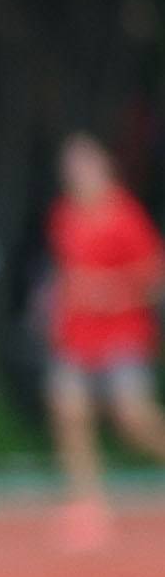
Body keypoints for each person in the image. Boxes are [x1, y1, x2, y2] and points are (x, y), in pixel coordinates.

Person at [41, 133, 165, 541]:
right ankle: (86, 503)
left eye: (86, 166)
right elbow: (67, 273)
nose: (79, 175)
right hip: (76, 335)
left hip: (123, 333)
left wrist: (109, 291)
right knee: (68, 410)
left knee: (134, 417)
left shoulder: (125, 216)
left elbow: (153, 278)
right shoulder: (64, 215)